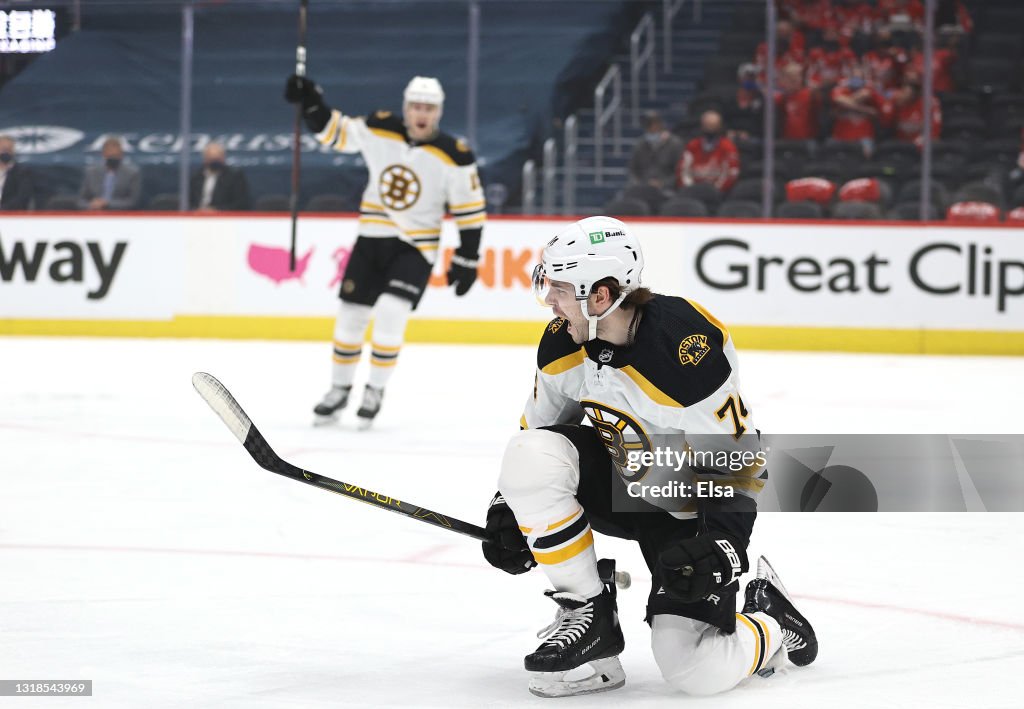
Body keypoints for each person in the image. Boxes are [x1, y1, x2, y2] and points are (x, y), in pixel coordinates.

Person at [482, 216, 817, 697]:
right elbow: (537, 438)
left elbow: (739, 465)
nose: (550, 302)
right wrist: (507, 510)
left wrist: (722, 544)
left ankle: (772, 622)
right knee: (530, 456)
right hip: (614, 484)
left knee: (695, 673)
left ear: (600, 296)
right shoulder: (563, 340)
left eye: (558, 289)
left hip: (684, 511)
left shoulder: (685, 351)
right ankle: (589, 618)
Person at [285, 74, 485, 428]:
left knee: (392, 313)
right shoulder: (380, 128)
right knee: (350, 317)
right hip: (371, 239)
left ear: (438, 112)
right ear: (406, 109)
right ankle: (339, 388)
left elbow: (470, 211)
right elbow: (336, 133)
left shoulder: (455, 155)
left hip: (416, 247)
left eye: (429, 108)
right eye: (416, 107)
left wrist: (467, 257)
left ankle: (374, 390)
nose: (421, 114)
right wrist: (312, 103)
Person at [676, 111, 740, 195]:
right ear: (702, 126)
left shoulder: (728, 147)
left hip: (718, 194)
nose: (710, 129)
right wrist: (690, 189)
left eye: (713, 126)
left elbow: (731, 174)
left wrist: (715, 191)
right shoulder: (692, 145)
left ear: (720, 127)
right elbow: (682, 170)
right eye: (707, 125)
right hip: (692, 191)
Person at [78, 136, 142, 211]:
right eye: (110, 156)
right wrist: (91, 205)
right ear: (104, 154)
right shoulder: (91, 172)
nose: (113, 159)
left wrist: (107, 203)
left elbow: (133, 202)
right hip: (94, 214)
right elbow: (80, 201)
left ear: (121, 155)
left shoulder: (132, 173)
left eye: (116, 156)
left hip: (120, 215)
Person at [627, 111, 683, 191]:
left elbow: (679, 171)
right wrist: (641, 184)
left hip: (668, 190)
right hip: (643, 188)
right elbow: (632, 170)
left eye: (653, 124)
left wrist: (663, 183)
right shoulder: (640, 145)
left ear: (660, 125)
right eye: (648, 126)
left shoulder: (674, 144)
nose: (651, 128)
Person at [189, 142, 251, 211]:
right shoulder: (196, 176)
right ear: (205, 159)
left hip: (224, 217)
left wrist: (216, 210)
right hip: (197, 217)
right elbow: (188, 201)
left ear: (223, 158)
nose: (215, 163)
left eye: (217, 159)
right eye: (211, 159)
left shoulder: (234, 176)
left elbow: (241, 203)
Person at [0, 134, 36, 210]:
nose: (5, 152)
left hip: (10, 215)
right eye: (3, 149)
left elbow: (22, 198)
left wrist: (2, 210)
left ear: (13, 151)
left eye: (9, 150)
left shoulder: (22, 172)